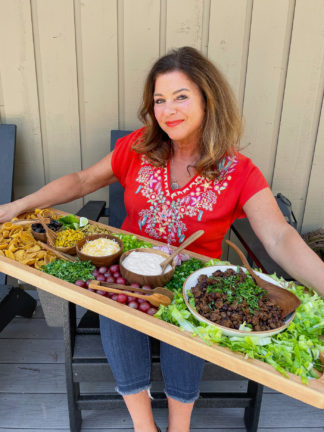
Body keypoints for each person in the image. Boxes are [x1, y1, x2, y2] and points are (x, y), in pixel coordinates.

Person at [1, 46, 324, 432]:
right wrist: (19, 204)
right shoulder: (139, 148)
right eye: (159, 99)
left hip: (193, 281)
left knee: (189, 323)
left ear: (208, 100)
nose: (168, 110)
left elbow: (278, 236)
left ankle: (178, 426)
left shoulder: (238, 171)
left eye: (181, 97)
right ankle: (143, 425)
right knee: (111, 303)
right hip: (129, 270)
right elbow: (84, 180)